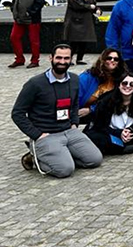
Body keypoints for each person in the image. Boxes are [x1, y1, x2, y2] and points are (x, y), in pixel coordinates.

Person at [11, 44, 103, 177]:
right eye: (58, 58)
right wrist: (37, 135)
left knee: (95, 160)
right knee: (64, 170)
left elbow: (75, 103)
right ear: (51, 58)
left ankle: (62, 155)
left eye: (66, 58)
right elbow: (17, 113)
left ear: (71, 59)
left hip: (68, 130)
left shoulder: (75, 80)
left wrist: (74, 123)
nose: (62, 62)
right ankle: (35, 156)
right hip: (46, 134)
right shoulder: (35, 84)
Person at [84, 71, 133, 155]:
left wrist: (129, 130)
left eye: (132, 84)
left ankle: (123, 146)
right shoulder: (106, 101)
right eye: (124, 83)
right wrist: (119, 133)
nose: (128, 86)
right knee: (94, 137)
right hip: (110, 134)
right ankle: (128, 149)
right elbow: (100, 125)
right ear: (119, 85)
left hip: (131, 134)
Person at [9, 0, 46, 68]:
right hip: (19, 18)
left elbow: (40, 2)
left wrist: (30, 12)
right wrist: (13, 8)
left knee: (34, 41)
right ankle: (19, 59)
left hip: (32, 19)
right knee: (14, 37)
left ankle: (35, 60)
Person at [77, 48, 125, 126]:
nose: (112, 60)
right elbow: (76, 97)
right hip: (80, 112)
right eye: (109, 58)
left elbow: (115, 102)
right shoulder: (87, 77)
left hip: (102, 113)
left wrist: (90, 109)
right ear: (102, 60)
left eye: (116, 59)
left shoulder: (121, 78)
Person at [63, 0, 99, 65]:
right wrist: (89, 7)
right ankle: (69, 59)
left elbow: (94, 5)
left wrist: (97, 10)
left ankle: (79, 58)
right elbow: (79, 6)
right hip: (76, 23)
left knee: (84, 41)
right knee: (74, 42)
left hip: (86, 23)